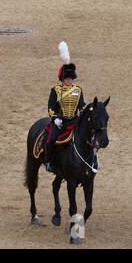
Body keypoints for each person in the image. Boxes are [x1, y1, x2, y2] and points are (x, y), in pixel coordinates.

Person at [45, 41, 85, 172]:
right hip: (60, 121)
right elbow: (51, 107)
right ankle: (49, 162)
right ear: (62, 79)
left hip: (74, 120)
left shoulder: (78, 90)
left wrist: (83, 112)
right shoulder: (55, 90)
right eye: (66, 78)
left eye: (70, 78)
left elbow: (81, 105)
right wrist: (55, 118)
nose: (69, 80)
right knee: (51, 139)